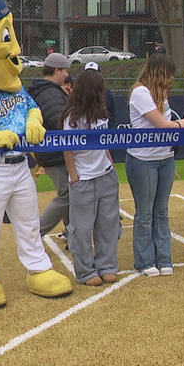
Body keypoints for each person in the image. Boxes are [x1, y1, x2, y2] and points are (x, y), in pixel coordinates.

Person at [126, 54, 184, 277]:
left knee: (161, 211)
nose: (171, 80)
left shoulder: (162, 96)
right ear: (160, 73)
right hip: (143, 160)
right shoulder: (140, 92)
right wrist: (182, 124)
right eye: (169, 75)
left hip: (165, 158)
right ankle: (145, 261)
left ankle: (164, 258)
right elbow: (162, 125)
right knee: (145, 213)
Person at [60, 69, 120, 286]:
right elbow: (67, 149)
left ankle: (107, 266)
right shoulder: (72, 117)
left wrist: (110, 163)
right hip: (83, 178)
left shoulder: (102, 111)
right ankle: (85, 271)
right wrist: (74, 176)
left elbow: (103, 141)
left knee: (108, 224)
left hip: (105, 174)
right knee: (82, 228)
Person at [27, 52, 72, 237]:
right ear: (57, 70)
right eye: (65, 71)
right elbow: (58, 121)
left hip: (52, 152)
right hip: (55, 153)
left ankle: (72, 234)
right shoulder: (50, 93)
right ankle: (35, 234)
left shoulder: (46, 90)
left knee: (71, 193)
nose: (67, 76)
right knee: (67, 194)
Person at [84, 62, 117, 128]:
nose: (92, 76)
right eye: (88, 74)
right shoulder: (79, 93)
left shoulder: (107, 94)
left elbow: (112, 117)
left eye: (94, 74)